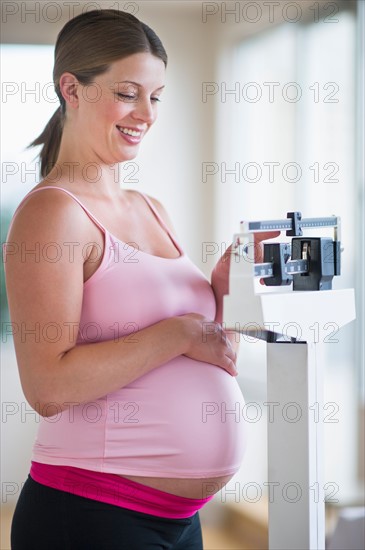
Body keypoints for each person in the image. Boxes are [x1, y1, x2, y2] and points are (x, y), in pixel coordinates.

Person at [4, 9, 275, 550]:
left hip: (179, 520)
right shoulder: (53, 213)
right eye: (128, 93)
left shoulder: (150, 208)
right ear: (71, 89)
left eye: (156, 96)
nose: (145, 114)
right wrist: (180, 332)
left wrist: (227, 295)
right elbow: (48, 387)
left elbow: (209, 351)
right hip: (91, 513)